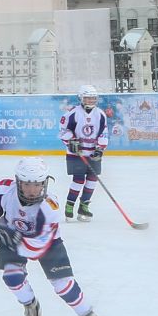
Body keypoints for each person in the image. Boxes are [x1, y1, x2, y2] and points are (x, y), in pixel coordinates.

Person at [0, 157, 110, 316]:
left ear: (45, 182)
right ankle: (30, 305)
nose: (32, 190)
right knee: (12, 277)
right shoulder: (4, 192)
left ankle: (88, 315)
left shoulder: (49, 207)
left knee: (63, 285)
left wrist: (9, 237)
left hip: (46, 243)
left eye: (37, 184)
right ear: (18, 182)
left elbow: (37, 248)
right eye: (27, 184)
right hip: (11, 235)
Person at [58, 85, 110, 221]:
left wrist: (100, 148)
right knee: (78, 180)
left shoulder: (100, 114)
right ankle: (70, 205)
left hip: (93, 153)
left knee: (92, 180)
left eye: (93, 98)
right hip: (76, 154)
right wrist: (71, 141)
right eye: (88, 98)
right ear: (81, 98)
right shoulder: (72, 113)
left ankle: (84, 206)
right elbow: (63, 130)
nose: (91, 101)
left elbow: (103, 132)